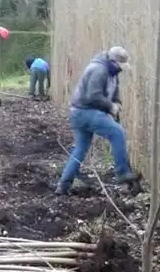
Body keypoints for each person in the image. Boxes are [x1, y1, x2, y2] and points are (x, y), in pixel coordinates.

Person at [55, 46, 141, 196]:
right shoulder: (98, 70)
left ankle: (63, 185)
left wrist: (117, 103)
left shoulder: (112, 72)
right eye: (120, 67)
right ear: (113, 62)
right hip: (84, 111)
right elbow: (93, 96)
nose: (121, 70)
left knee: (80, 149)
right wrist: (110, 106)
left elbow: (115, 92)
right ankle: (122, 173)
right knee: (117, 133)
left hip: (80, 113)